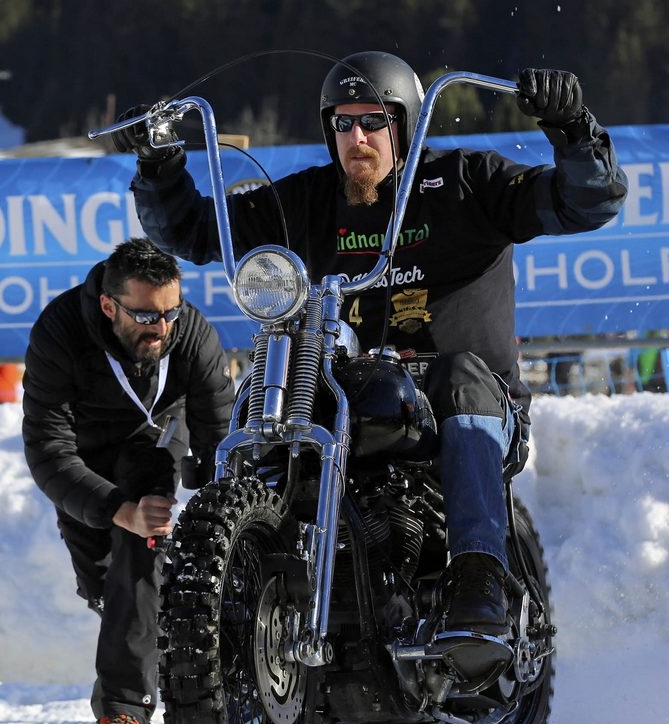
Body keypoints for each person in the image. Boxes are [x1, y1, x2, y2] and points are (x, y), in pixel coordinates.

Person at [114, 54, 626, 645]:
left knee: (460, 373)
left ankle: (479, 577)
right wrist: (158, 163)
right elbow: (197, 231)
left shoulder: (469, 182)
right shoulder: (304, 202)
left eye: (374, 121)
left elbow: (587, 202)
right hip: (349, 401)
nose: (357, 137)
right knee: (265, 396)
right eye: (343, 123)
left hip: (464, 407)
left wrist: (572, 128)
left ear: (404, 124)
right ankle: (235, 598)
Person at [22, 237, 235, 724]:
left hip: (154, 442)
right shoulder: (59, 332)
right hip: (84, 458)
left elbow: (220, 433)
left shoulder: (190, 334)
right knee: (109, 587)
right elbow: (48, 452)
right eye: (144, 317)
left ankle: (124, 711)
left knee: (143, 543)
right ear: (108, 306)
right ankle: (144, 635)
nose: (161, 328)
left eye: (170, 313)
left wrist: (223, 515)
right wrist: (117, 511)